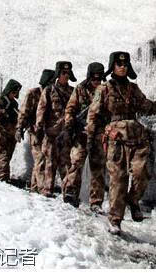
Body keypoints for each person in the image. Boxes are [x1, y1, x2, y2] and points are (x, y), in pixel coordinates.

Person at [86, 51, 156, 234]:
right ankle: (115, 219)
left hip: (137, 138)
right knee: (118, 179)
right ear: (112, 66)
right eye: (118, 64)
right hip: (116, 140)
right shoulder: (104, 89)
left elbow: (148, 107)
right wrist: (91, 139)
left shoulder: (133, 89)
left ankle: (133, 200)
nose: (122, 67)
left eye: (125, 64)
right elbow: (93, 114)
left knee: (142, 174)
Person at [62, 62, 105, 209]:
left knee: (98, 168)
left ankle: (96, 202)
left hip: (99, 135)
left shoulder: (106, 90)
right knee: (76, 163)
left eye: (99, 79)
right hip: (81, 134)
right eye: (94, 78)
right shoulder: (80, 89)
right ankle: (70, 193)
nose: (96, 81)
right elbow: (70, 109)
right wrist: (69, 126)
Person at [36, 61, 76, 197]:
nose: (66, 75)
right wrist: (39, 126)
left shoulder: (73, 92)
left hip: (66, 134)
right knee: (50, 163)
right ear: (58, 74)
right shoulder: (49, 90)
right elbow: (41, 109)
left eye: (68, 73)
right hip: (51, 133)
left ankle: (68, 193)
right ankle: (47, 191)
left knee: (66, 164)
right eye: (63, 73)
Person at [15, 69, 55, 192]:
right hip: (35, 132)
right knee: (40, 159)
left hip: (47, 133)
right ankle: (41, 188)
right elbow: (24, 112)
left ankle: (34, 187)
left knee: (42, 160)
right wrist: (19, 128)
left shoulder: (52, 94)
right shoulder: (33, 93)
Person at [0, 79, 22, 181]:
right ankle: (3, 178)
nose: (15, 94)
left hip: (11, 133)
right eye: (13, 92)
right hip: (1, 132)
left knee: (6, 156)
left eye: (16, 92)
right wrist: (6, 112)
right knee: (3, 156)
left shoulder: (14, 104)